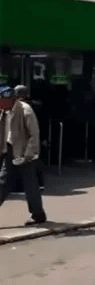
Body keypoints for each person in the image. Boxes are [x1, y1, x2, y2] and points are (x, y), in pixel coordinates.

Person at [0, 84, 47, 225]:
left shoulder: (25, 110)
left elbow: (34, 134)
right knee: (2, 182)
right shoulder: (3, 110)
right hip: (10, 151)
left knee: (30, 184)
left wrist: (28, 154)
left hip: (25, 152)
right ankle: (38, 214)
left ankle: (38, 214)